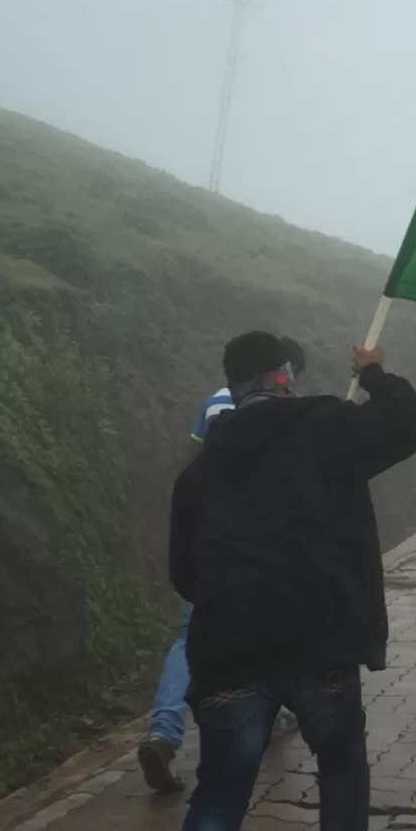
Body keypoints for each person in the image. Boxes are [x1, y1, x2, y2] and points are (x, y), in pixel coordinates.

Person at [148, 330, 416, 831]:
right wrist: (376, 374)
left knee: (218, 798)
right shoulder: (331, 430)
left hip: (231, 652)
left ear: (236, 387)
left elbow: (185, 575)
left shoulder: (200, 471)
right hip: (320, 642)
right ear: (285, 376)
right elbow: (412, 425)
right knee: (338, 761)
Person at [136, 340, 307, 795]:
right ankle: (267, 716)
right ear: (278, 374)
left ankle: (163, 734)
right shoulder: (287, 414)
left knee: (190, 638)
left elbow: (192, 464)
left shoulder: (214, 402)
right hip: (262, 551)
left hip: (208, 545)